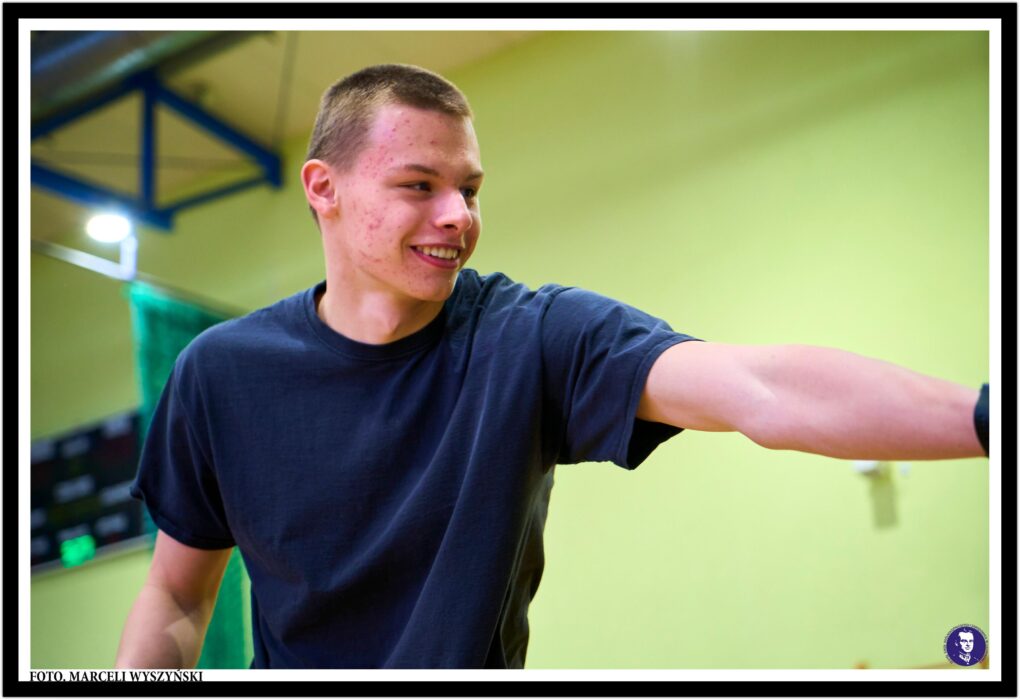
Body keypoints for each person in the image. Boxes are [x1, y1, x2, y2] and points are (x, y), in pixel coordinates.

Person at [115, 64, 990, 670]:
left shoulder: (532, 336)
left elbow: (762, 388)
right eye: (420, 185)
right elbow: (180, 595)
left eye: (470, 189)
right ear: (323, 187)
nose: (458, 216)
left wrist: (990, 416)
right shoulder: (219, 375)